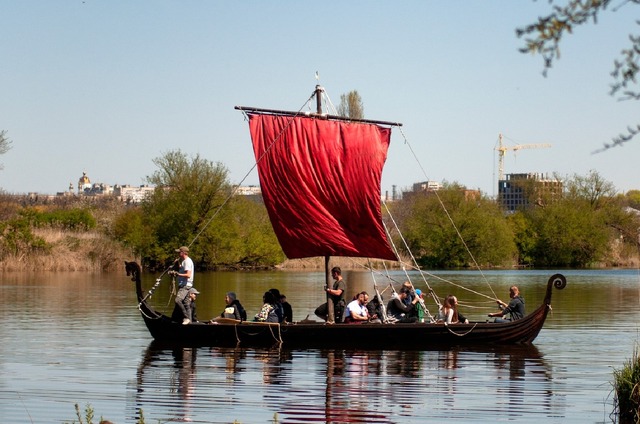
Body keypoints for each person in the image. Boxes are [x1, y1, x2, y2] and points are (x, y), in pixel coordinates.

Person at [170, 246, 195, 325]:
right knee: (186, 304)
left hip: (185, 285)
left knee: (178, 300)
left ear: (183, 253)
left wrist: (177, 274)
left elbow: (188, 274)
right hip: (186, 285)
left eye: (179, 252)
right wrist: (177, 263)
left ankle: (186, 318)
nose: (178, 253)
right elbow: (182, 268)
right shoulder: (185, 261)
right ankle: (189, 322)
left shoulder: (187, 261)